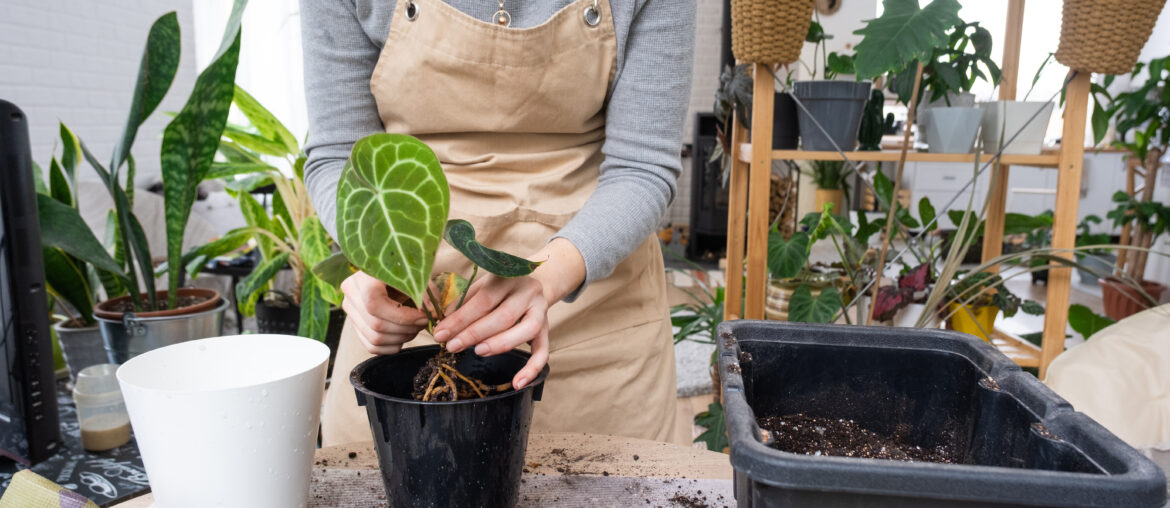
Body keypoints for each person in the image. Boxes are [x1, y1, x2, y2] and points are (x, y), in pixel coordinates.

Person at [300, 0, 697, 446]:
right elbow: (339, 156)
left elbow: (642, 168)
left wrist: (548, 278)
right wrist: (374, 259)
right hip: (411, 318)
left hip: (591, 313)